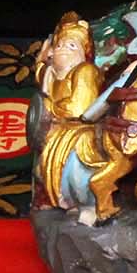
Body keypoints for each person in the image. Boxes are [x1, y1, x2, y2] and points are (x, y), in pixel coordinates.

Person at [34, 14, 107, 224]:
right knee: (43, 169)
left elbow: (80, 107)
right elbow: (41, 74)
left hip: (80, 131)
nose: (63, 49)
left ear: (84, 53)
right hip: (57, 132)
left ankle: (90, 206)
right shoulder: (53, 74)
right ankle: (68, 203)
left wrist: (50, 107)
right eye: (59, 45)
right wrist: (42, 59)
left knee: (78, 171)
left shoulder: (85, 71)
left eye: (72, 45)